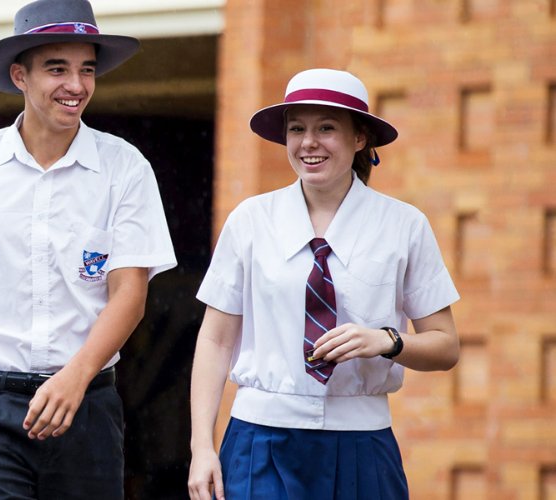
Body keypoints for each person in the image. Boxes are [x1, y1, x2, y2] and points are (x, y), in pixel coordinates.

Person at [0, 0, 177, 497]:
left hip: (86, 406)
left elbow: (129, 292)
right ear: (19, 76)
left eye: (86, 69)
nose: (76, 85)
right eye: (57, 68)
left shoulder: (124, 167)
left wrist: (77, 376)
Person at [187, 68, 461, 500]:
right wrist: (201, 446)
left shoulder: (404, 226)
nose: (308, 143)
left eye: (326, 128)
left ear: (360, 139)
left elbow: (446, 347)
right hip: (260, 442)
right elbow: (216, 340)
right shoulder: (250, 221)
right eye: (297, 129)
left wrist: (386, 341)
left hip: (362, 445)